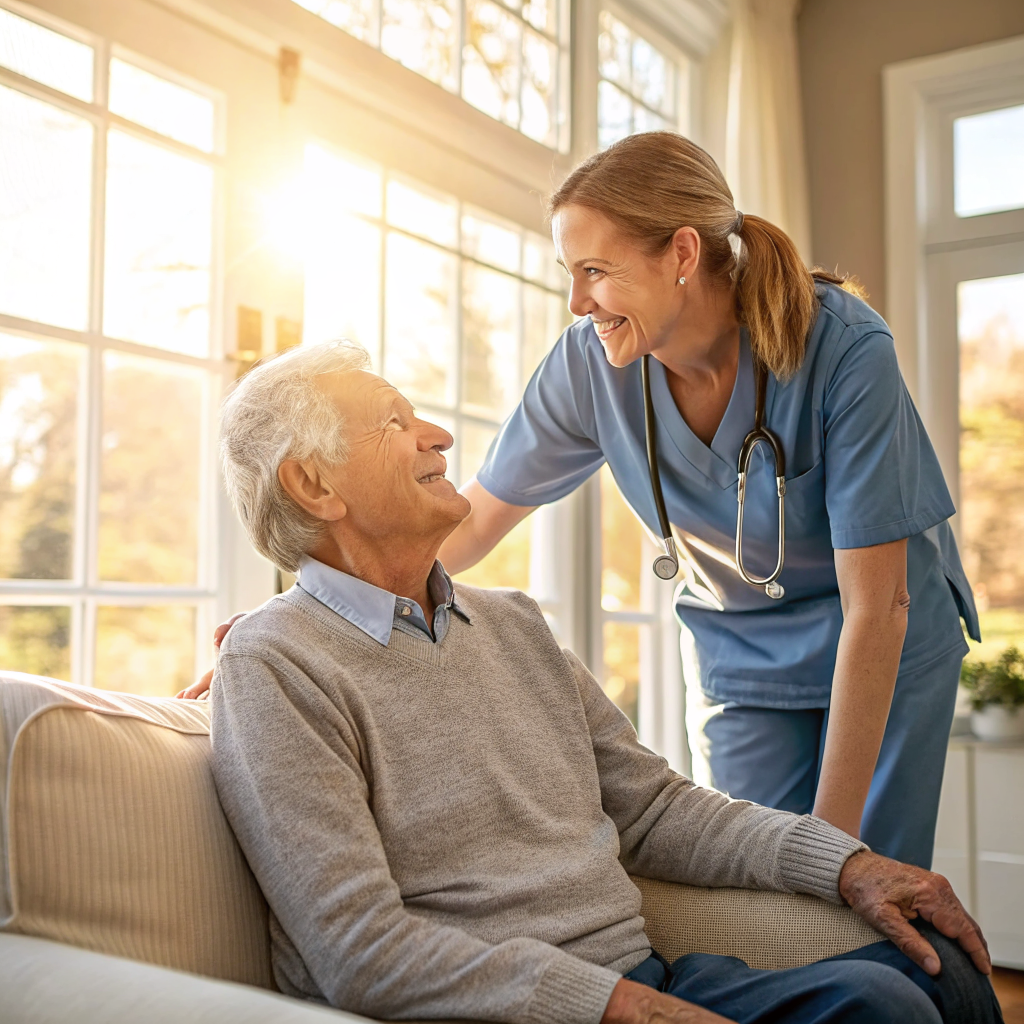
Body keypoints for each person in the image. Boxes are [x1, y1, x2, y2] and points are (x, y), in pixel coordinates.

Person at [208, 340, 1000, 1024]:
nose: (440, 436)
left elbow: (653, 811)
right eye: (395, 422)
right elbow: (357, 951)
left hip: (645, 978)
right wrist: (615, 1007)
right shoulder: (277, 663)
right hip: (533, 1010)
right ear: (314, 485)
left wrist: (846, 864)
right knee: (889, 1012)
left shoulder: (513, 623)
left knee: (934, 973)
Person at [434, 132, 977, 870]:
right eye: (570, 272)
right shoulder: (589, 366)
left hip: (884, 635)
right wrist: (319, 599)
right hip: (738, 650)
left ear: (682, 254)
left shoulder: (845, 349)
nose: (576, 301)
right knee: (756, 886)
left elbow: (877, 608)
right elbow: (469, 524)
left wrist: (834, 857)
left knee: (866, 893)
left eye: (595, 270)